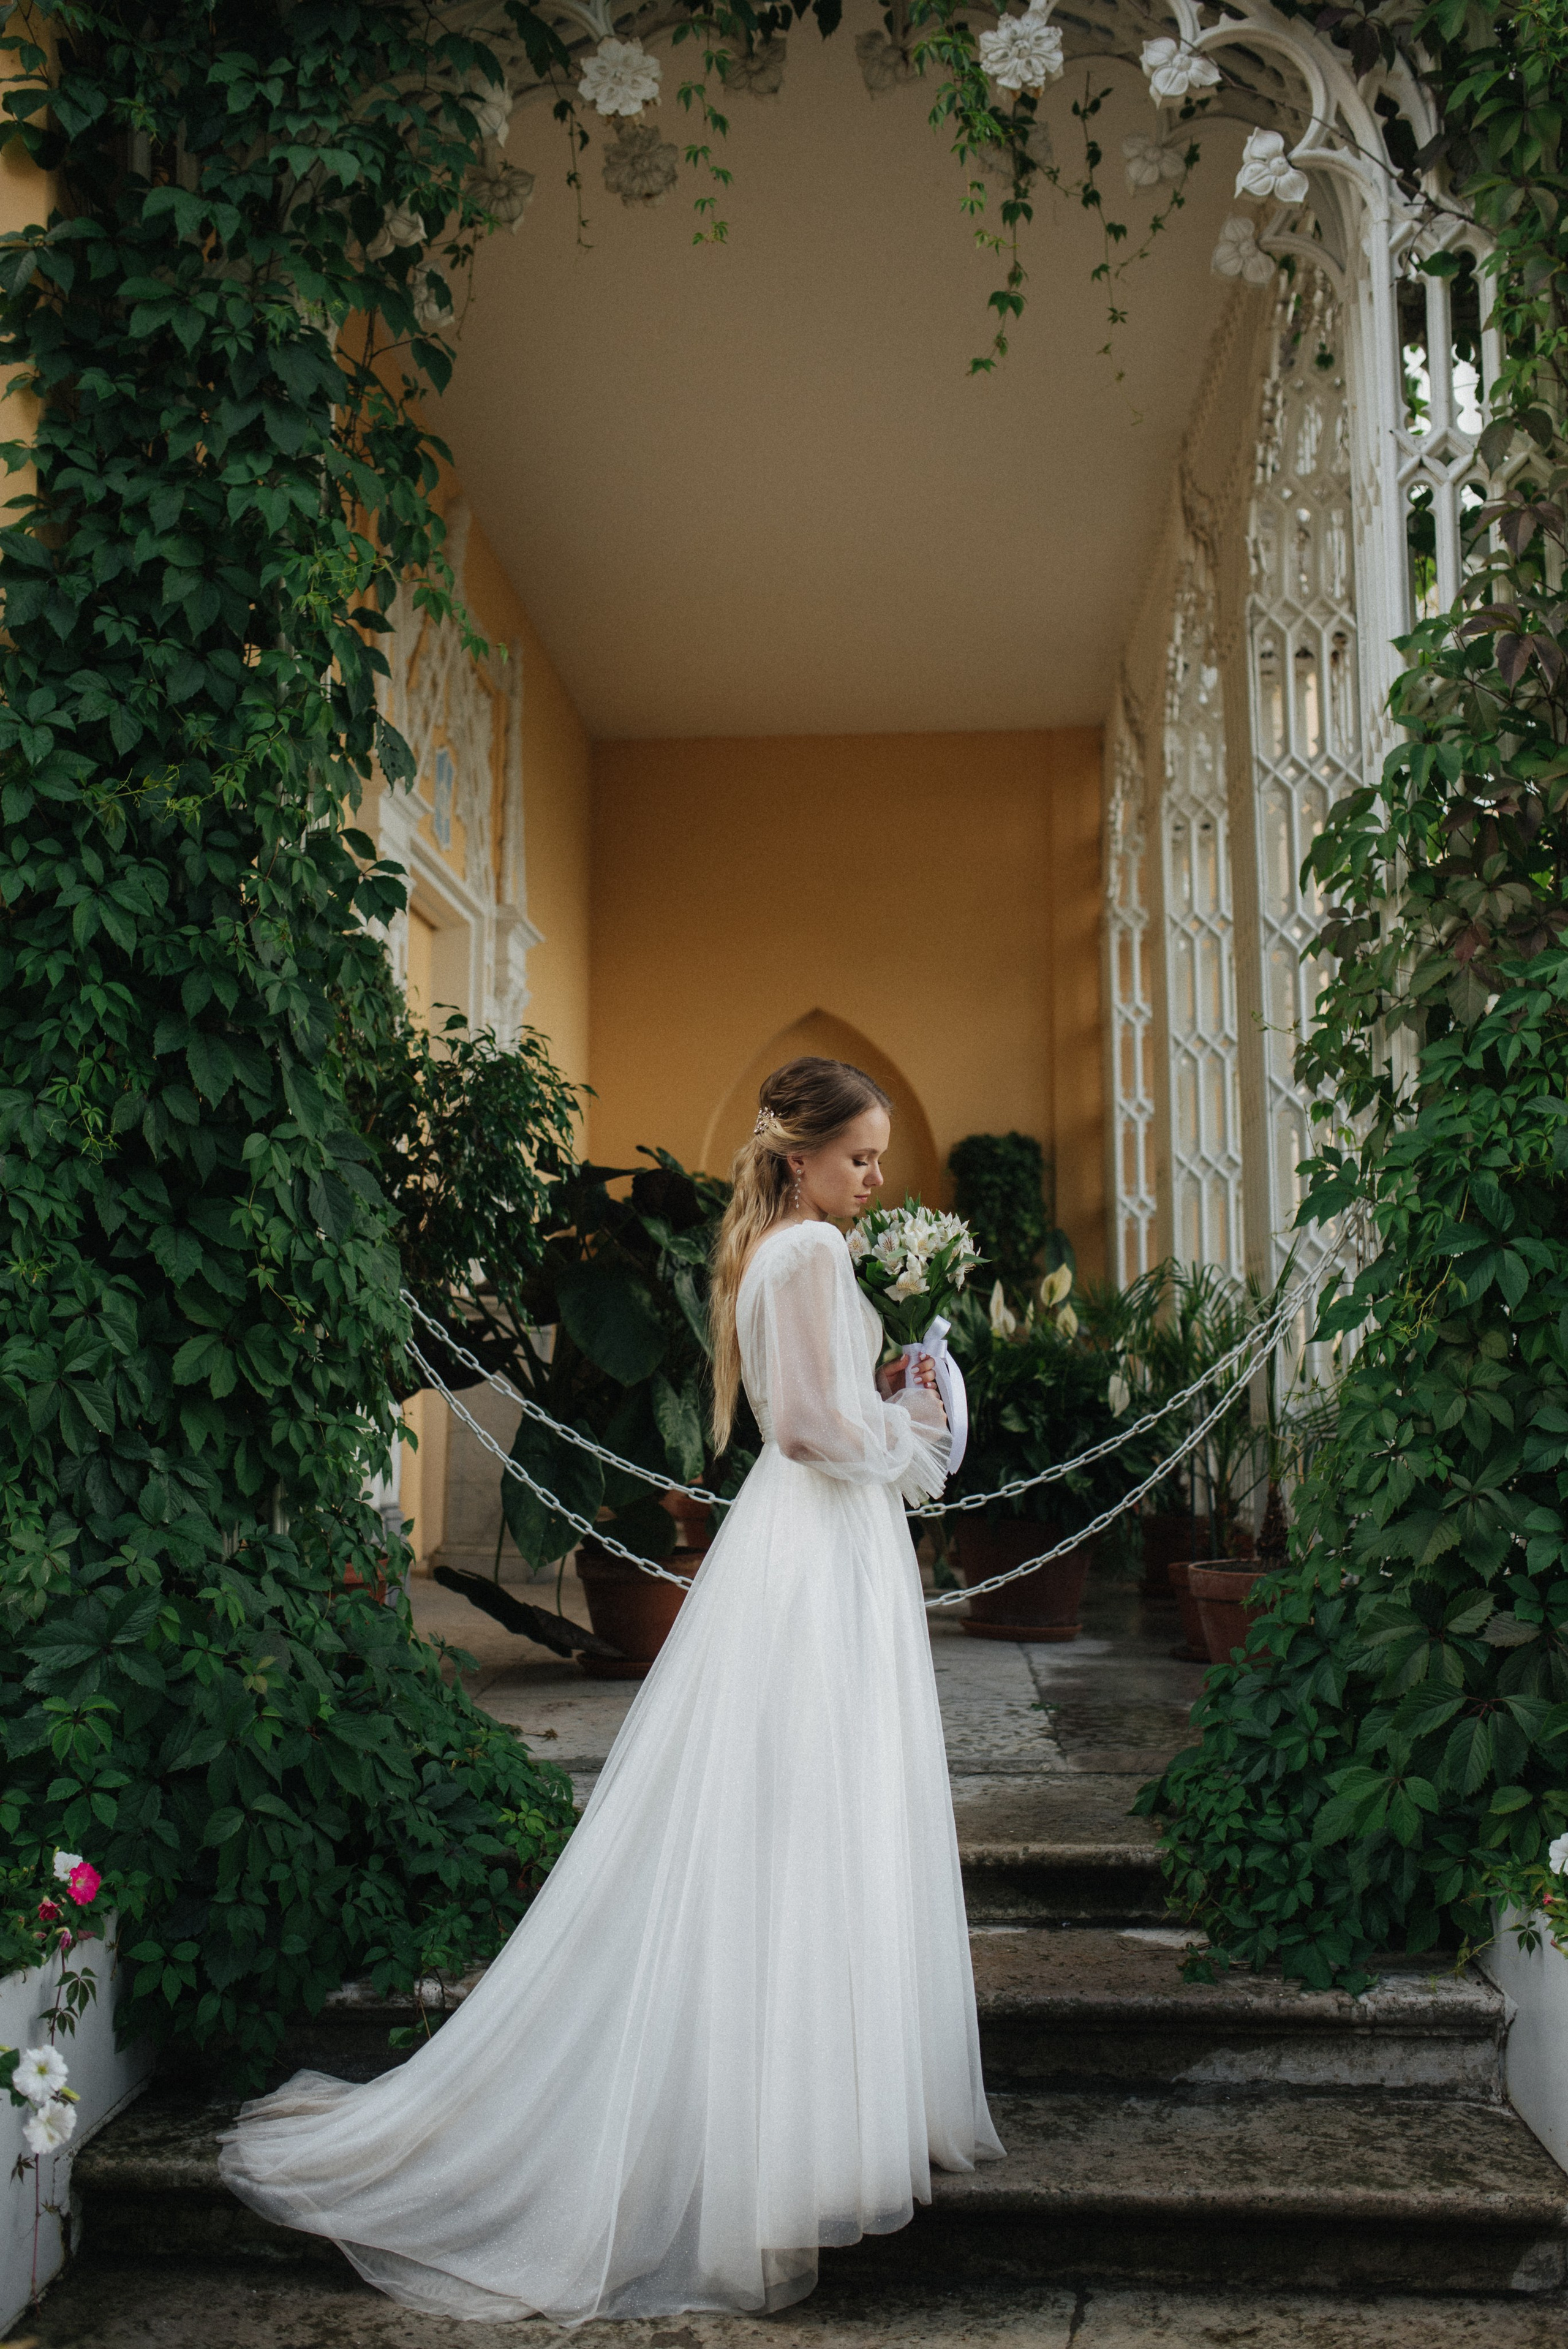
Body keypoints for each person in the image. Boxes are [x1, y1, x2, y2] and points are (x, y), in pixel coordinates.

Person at [219, 1054, 1003, 2321]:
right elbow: (807, 1430)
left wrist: (885, 1401)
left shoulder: (779, 1251)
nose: (874, 1178)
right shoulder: (807, 1253)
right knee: (810, 1809)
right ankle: (790, 2138)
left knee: (792, 1814)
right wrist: (911, 1432)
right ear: (798, 1155)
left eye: (877, 1157)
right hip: (815, 1540)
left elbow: (808, 1408)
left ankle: (792, 2121)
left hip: (805, 1542)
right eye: (857, 1156)